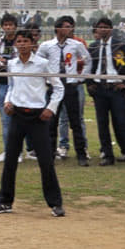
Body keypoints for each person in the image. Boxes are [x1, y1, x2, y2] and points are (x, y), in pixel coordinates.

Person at [0, 29, 65, 216]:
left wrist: (50, 108)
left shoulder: (42, 64)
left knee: (46, 161)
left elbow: (58, 88)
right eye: (19, 41)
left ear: (32, 44)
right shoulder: (12, 64)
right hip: (17, 115)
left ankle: (55, 204)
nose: (22, 44)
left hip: (38, 117)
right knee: (10, 160)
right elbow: (11, 86)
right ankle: (5, 202)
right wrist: (7, 102)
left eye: (25, 41)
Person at [36, 15, 91, 166]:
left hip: (70, 86)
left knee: (75, 122)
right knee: (51, 122)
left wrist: (81, 77)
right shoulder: (47, 46)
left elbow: (87, 60)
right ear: (58, 28)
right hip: (54, 87)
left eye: (71, 27)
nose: (69, 29)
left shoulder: (76, 45)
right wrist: (45, 79)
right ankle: (50, 155)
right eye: (66, 26)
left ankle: (81, 154)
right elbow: (38, 63)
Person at [86, 18, 125, 167]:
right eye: (100, 27)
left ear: (111, 29)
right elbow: (88, 67)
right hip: (99, 89)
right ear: (96, 29)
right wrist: (90, 84)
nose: (102, 30)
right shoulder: (93, 47)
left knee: (122, 122)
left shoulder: (121, 45)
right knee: (102, 123)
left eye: (106, 27)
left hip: (116, 89)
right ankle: (107, 155)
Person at [0, 13, 18, 162]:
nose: (8, 27)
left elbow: (21, 62)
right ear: (2, 27)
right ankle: (8, 152)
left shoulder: (20, 41)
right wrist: (8, 62)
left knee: (19, 118)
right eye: (5, 25)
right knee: (5, 119)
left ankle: (18, 152)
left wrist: (5, 62)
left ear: (15, 26)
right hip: (1, 83)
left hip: (18, 83)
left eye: (10, 25)